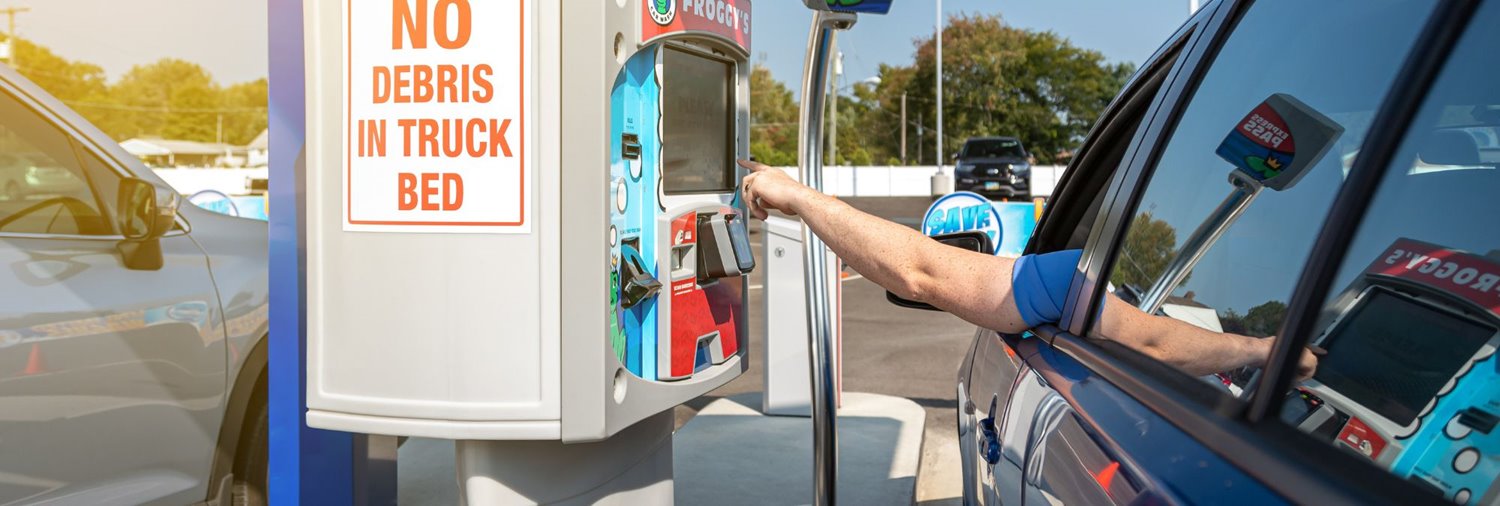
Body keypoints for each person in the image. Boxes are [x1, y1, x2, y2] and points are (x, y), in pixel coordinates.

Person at [736, 160, 1319, 380]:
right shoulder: (1094, 285)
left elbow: (921, 271)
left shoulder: (1077, 283)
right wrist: (1264, 348)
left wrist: (801, 197)